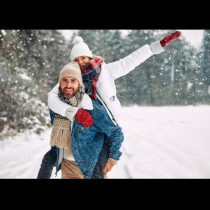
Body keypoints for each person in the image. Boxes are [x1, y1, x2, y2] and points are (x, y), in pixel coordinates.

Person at [37, 30, 181, 179]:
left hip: (104, 124)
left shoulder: (106, 70)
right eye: (76, 59)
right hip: (85, 126)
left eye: (83, 58)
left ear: (90, 57)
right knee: (55, 159)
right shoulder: (71, 77)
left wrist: (153, 48)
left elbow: (130, 61)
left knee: (97, 171)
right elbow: (53, 97)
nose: (80, 62)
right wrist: (72, 112)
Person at [45, 62, 124, 179]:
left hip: (91, 166)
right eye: (65, 80)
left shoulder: (92, 108)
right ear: (59, 83)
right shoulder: (57, 107)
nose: (68, 85)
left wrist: (113, 158)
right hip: (68, 167)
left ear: (79, 83)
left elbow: (116, 132)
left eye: (73, 81)